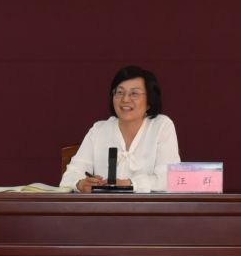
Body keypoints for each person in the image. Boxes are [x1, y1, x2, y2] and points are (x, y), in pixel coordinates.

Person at [58, 64, 182, 193]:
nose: (125, 99)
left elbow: (170, 179)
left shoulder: (161, 126)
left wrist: (130, 184)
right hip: (104, 205)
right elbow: (70, 175)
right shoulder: (99, 130)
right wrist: (80, 183)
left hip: (147, 206)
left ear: (149, 101)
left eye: (134, 93)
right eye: (120, 92)